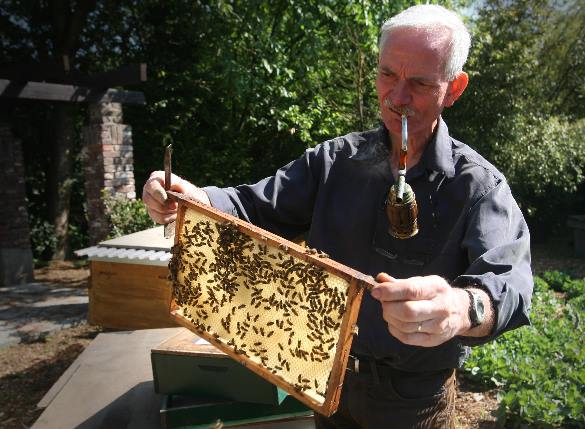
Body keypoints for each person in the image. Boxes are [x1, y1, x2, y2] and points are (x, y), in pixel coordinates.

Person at [143, 4, 533, 428]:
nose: (397, 98)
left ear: (454, 88)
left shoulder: (478, 185)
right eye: (388, 75)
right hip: (325, 375)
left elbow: (510, 282)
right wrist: (194, 197)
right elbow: (253, 206)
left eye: (419, 83)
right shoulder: (332, 161)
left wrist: (460, 307)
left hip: (411, 400)